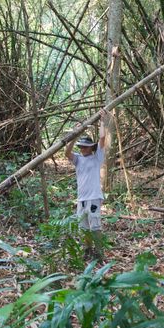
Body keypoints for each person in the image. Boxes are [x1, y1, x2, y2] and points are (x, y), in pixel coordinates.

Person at [64, 112, 108, 263]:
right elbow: (66, 152)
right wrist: (75, 135)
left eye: (86, 146)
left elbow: (102, 139)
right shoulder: (78, 159)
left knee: (95, 227)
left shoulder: (97, 158)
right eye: (81, 146)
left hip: (94, 197)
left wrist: (102, 120)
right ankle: (87, 251)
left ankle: (100, 253)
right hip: (81, 199)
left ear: (91, 148)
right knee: (84, 228)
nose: (83, 148)